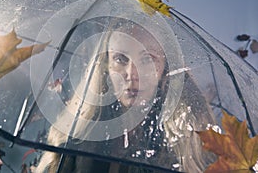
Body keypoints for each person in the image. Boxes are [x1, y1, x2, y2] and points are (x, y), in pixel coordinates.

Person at [35, 17, 216, 173]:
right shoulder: (78, 135)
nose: (131, 74)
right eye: (120, 59)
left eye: (148, 59)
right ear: (106, 66)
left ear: (165, 71)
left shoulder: (185, 147)